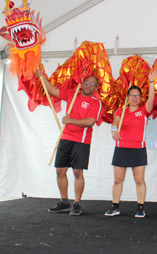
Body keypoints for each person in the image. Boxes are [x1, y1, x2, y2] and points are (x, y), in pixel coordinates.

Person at [37, 69, 102, 216]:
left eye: (92, 84)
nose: (89, 86)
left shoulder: (96, 103)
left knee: (78, 172)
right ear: (82, 83)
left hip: (81, 141)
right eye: (87, 82)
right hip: (65, 138)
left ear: (95, 88)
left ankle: (77, 203)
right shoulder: (72, 94)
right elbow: (52, 90)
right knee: (60, 170)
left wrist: (70, 120)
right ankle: (64, 202)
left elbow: (90, 122)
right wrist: (42, 76)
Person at [104, 69, 157, 218]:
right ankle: (115, 206)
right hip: (122, 148)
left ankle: (140, 207)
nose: (134, 98)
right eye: (132, 95)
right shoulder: (120, 111)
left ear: (141, 98)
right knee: (117, 179)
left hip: (138, 149)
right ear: (127, 97)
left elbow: (152, 100)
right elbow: (114, 123)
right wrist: (114, 131)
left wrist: (151, 82)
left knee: (139, 179)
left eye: (137, 96)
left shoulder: (144, 111)